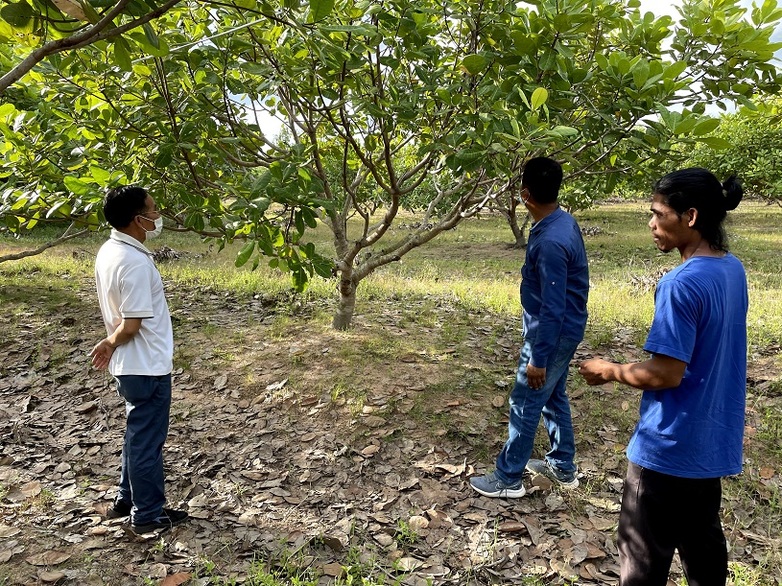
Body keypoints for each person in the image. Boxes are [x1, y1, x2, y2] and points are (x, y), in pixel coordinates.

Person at [579, 168, 747, 586]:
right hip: (709, 446)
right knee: (705, 559)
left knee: (641, 567)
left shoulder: (679, 284)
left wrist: (608, 370)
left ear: (689, 216)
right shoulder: (732, 270)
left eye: (658, 214)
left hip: (667, 450)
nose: (651, 224)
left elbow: (666, 374)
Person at [470, 156, 589, 498]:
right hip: (565, 328)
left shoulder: (552, 241)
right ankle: (563, 466)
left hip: (551, 332)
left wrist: (538, 357)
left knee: (526, 399)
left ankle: (508, 478)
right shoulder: (562, 221)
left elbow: (553, 307)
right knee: (553, 395)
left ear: (525, 194)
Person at [89, 185, 188, 534]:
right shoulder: (134, 263)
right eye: (153, 210)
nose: (158, 216)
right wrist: (110, 342)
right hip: (146, 365)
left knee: (137, 435)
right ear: (137, 220)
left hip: (131, 367)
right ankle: (147, 515)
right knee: (147, 442)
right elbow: (131, 325)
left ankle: (127, 499)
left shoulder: (110, 249)